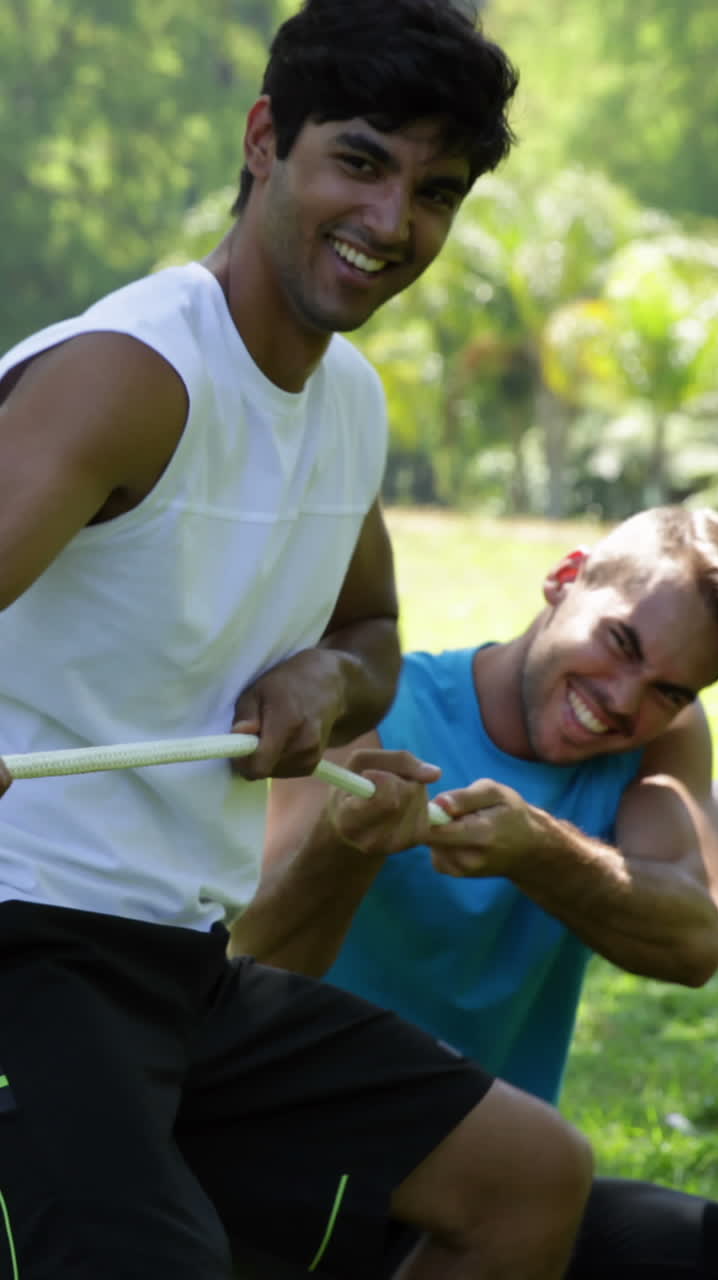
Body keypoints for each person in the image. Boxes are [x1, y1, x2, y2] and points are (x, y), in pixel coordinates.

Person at [0, 2, 600, 1278]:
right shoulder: (131, 373)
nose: (391, 221)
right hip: (25, 939)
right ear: (266, 137)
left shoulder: (347, 405)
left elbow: (373, 630)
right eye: (361, 161)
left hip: (182, 965)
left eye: (434, 192)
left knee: (527, 1177)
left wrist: (326, 676)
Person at [240, 505, 718, 1278]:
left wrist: (540, 852)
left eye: (670, 690)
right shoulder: (377, 712)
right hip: (296, 1159)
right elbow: (256, 967)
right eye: (620, 643)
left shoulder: (656, 742)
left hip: (492, 1187)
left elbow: (694, 943)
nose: (624, 701)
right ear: (565, 577)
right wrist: (345, 847)